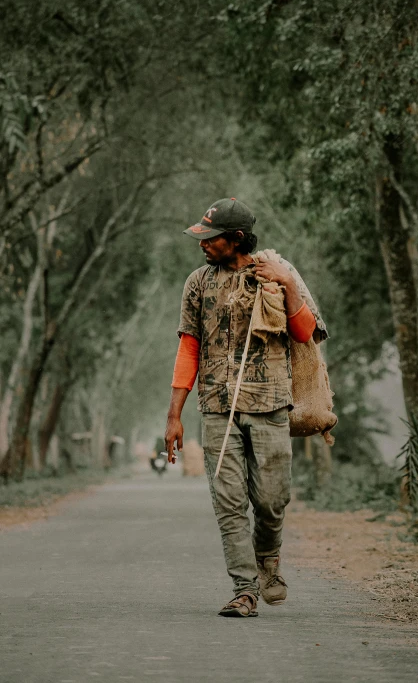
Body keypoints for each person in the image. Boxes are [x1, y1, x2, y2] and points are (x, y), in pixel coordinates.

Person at [165, 197, 327, 617]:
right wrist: (174, 415)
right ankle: (244, 589)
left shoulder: (277, 275)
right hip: (217, 408)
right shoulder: (198, 283)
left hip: (271, 405)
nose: (202, 244)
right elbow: (189, 348)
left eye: (211, 238)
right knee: (228, 501)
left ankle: (268, 559)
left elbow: (306, 333)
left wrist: (286, 285)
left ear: (236, 239)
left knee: (272, 500)